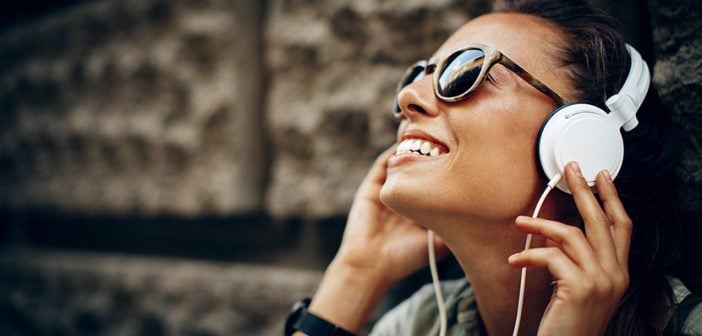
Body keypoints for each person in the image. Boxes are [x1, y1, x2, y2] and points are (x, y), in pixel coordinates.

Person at [285, 0, 702, 335]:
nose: (409, 96)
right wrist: (357, 272)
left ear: (580, 137)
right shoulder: (419, 324)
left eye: (464, 70)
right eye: (417, 74)